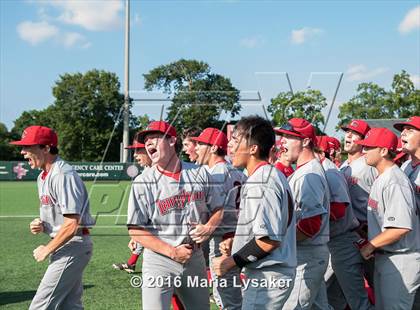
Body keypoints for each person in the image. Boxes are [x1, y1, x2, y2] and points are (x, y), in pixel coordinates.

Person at [127, 121, 224, 310]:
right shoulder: (143, 182)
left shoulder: (199, 172)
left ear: (172, 141)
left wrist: (209, 227)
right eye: (145, 140)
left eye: (154, 138)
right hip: (159, 259)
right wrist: (172, 252)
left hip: (194, 257)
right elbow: (135, 230)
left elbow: (218, 209)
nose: (148, 143)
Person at [212, 115, 297, 309]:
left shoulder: (262, 182)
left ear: (253, 148)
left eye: (235, 140)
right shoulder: (267, 175)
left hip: (269, 275)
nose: (229, 147)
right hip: (271, 273)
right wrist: (238, 241)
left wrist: (230, 262)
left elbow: (270, 240)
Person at [10, 125, 95, 309]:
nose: (23, 152)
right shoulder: (42, 177)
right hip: (65, 244)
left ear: (46, 148)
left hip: (73, 245)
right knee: (70, 306)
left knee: (40, 306)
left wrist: (46, 249)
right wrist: (41, 224)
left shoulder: (63, 174)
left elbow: (72, 224)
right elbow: (58, 214)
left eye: (28, 147)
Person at [355, 127, 420, 309]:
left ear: (383, 151)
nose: (364, 151)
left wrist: (370, 245)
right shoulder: (383, 177)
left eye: (368, 147)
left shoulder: (394, 181)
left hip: (401, 259)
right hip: (389, 257)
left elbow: (401, 227)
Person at [276, 118, 331, 309]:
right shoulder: (304, 171)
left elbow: (311, 224)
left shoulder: (309, 175)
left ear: (306, 141)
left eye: (289, 136)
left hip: (307, 255)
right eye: (282, 135)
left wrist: (279, 242)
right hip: (307, 253)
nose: (282, 141)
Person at [314, 136, 373, 310]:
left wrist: (309, 220)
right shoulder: (330, 168)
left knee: (357, 301)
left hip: (343, 240)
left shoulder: (330, 172)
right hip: (337, 240)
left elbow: (339, 209)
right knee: (333, 297)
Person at [192, 127, 246, 310]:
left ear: (214, 148)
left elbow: (217, 210)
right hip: (238, 236)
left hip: (223, 240)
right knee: (232, 294)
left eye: (200, 143)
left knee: (227, 297)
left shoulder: (215, 173)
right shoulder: (238, 172)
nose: (196, 147)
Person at [113, 139, 152, 273]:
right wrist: (135, 236)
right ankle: (131, 262)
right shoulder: (144, 175)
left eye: (138, 150)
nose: (135, 155)